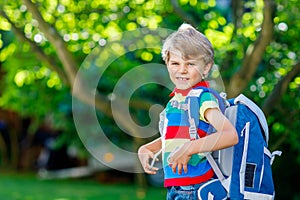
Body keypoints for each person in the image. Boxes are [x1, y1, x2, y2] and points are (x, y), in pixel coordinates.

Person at [138, 23, 238, 199]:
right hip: (177, 187)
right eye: (175, 63)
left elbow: (230, 135)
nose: (182, 70)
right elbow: (176, 136)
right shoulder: (176, 100)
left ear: (206, 68)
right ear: (167, 64)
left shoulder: (203, 98)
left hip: (195, 187)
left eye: (190, 64)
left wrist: (189, 149)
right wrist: (147, 148)